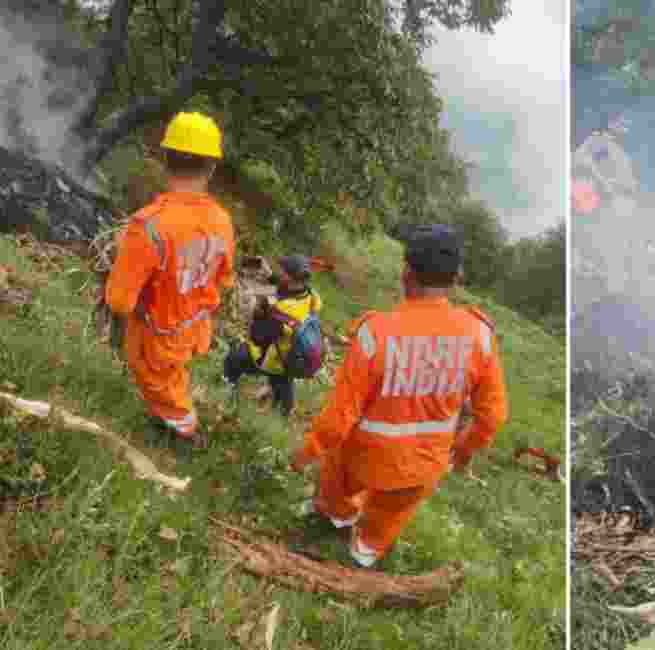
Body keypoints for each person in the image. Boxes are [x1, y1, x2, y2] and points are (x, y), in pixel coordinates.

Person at [289, 224, 509, 568]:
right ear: (456, 278)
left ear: (407, 272)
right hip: (423, 466)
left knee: (337, 480)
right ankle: (364, 552)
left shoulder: (375, 332)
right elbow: (492, 416)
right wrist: (463, 451)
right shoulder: (480, 335)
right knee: (388, 517)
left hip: (362, 458)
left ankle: (335, 517)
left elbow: (339, 417)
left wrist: (306, 452)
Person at [104, 111, 235, 448]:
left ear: (165, 159)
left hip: (156, 334)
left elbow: (120, 301)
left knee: (160, 385)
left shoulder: (148, 226)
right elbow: (224, 278)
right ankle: (170, 421)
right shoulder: (221, 221)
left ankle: (184, 434)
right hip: (193, 327)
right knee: (173, 376)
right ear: (211, 167)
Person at [223, 254, 323, 416]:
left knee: (235, 357)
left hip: (273, 360)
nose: (279, 273)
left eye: (282, 272)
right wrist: (270, 276)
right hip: (293, 357)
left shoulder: (281, 310)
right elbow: (288, 289)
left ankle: (225, 392)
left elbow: (257, 337)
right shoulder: (312, 297)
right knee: (283, 380)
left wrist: (254, 312)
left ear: (290, 278)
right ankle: (285, 412)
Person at [573, 113, 640, 296]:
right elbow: (579, 159)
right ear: (611, 123)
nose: (626, 126)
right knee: (612, 247)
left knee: (624, 248)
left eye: (628, 123)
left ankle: (619, 292)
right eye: (621, 121)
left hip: (627, 201)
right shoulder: (600, 140)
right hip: (612, 199)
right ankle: (612, 293)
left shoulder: (622, 151)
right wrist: (602, 182)